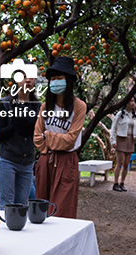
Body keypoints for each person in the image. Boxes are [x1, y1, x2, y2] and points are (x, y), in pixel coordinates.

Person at [34, 56, 87, 219]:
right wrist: (49, 145)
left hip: (67, 161)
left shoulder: (79, 107)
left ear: (69, 80)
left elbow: (71, 140)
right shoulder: (46, 106)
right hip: (45, 160)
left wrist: (48, 136)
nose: (55, 82)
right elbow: (36, 137)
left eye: (59, 78)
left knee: (61, 212)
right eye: (52, 79)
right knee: (41, 209)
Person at [0, 75, 40, 206]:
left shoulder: (37, 106)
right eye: (24, 76)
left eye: (32, 77)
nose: (28, 80)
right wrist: (16, 124)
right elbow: (0, 134)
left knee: (21, 204)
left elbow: (38, 135)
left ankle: (17, 227)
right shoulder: (5, 103)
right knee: (5, 204)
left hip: (27, 162)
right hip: (8, 159)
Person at [109, 98, 136, 192]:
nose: (132, 103)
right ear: (126, 103)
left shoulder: (135, 115)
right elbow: (113, 128)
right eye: (130, 101)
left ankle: (122, 183)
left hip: (131, 140)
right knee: (120, 162)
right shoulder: (120, 114)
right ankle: (115, 183)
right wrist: (113, 141)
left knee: (126, 163)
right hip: (121, 139)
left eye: (133, 101)